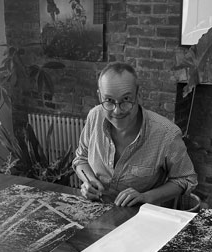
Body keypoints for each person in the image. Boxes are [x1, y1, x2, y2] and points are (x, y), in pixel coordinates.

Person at [72, 62, 197, 207]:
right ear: (100, 96)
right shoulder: (94, 116)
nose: (117, 111)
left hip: (142, 219)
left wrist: (146, 197)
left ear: (139, 96)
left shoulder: (166, 133)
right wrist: (89, 181)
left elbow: (186, 179)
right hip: (97, 210)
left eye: (126, 99)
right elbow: (81, 159)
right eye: (109, 100)